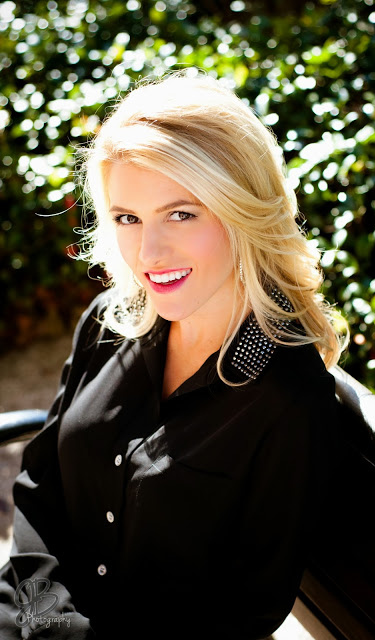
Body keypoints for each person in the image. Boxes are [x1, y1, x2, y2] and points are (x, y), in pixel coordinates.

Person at [0, 70, 348, 639]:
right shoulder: (109, 322)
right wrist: (46, 622)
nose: (148, 253)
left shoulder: (287, 400)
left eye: (181, 213)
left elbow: (245, 612)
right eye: (128, 218)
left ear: (243, 209)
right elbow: (40, 490)